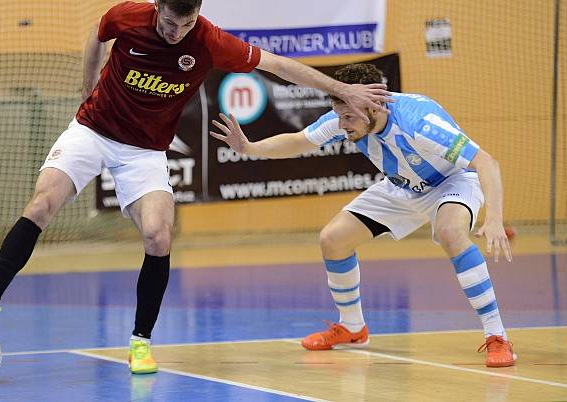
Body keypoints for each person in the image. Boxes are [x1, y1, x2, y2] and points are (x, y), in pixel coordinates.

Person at [0, 0, 390, 374]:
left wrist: (340, 88)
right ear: (156, 7)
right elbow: (97, 34)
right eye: (169, 23)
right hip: (93, 130)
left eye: (185, 25)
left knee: (158, 234)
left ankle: (140, 341)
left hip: (145, 151)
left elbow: (278, 65)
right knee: (43, 202)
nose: (175, 33)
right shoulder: (127, 17)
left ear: (196, 16)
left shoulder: (208, 41)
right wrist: (87, 83)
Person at [210, 63, 516, 368]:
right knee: (333, 240)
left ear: (375, 105)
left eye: (348, 117)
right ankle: (353, 328)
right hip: (401, 187)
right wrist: (249, 148)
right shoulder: (345, 116)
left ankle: (497, 336)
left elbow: (486, 162)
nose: (342, 125)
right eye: (340, 115)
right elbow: (298, 140)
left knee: (451, 233)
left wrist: (495, 219)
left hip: (452, 182)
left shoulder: (418, 122)